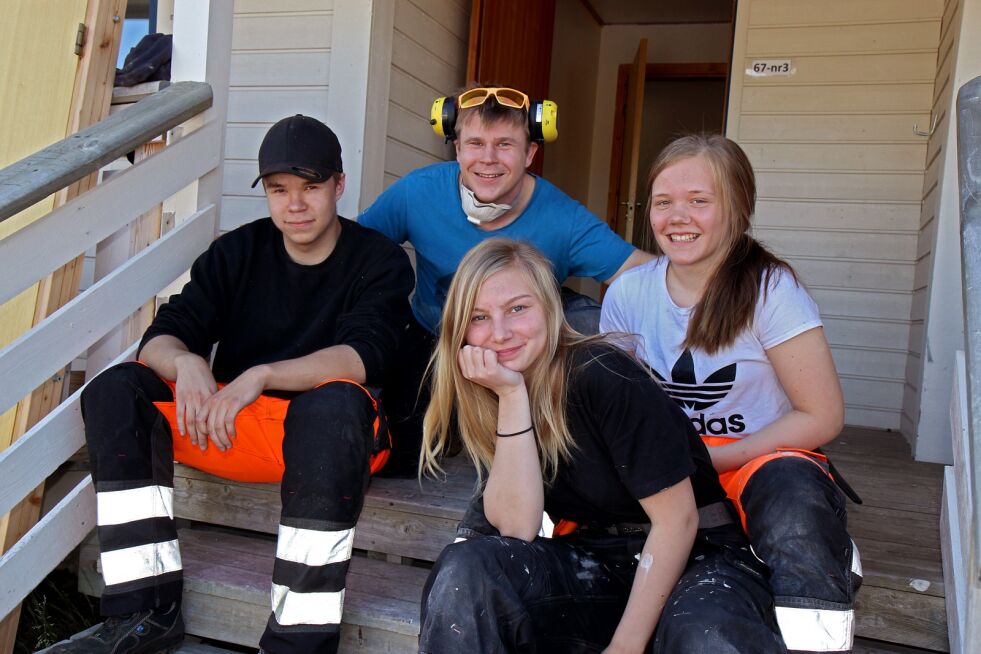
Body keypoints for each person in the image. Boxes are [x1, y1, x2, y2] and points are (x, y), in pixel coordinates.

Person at [55, 115, 414, 654]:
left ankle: (299, 641)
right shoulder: (237, 253)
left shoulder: (377, 259)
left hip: (334, 439)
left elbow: (363, 357)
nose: (295, 204)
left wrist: (261, 375)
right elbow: (161, 339)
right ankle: (141, 613)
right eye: (279, 190)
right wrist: (191, 365)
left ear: (339, 186)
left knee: (336, 402)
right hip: (231, 426)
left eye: (311, 187)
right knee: (116, 389)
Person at [416, 238, 786, 653]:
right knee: (466, 568)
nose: (500, 333)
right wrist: (513, 399)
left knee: (703, 639)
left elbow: (678, 522)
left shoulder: (603, 374)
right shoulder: (498, 392)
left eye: (518, 308)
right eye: (479, 317)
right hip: (602, 562)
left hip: (700, 558)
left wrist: (623, 647)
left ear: (550, 309)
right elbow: (516, 528)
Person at [600, 134, 862, 654]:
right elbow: (619, 409)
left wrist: (715, 459)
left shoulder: (771, 289)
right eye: (664, 202)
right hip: (669, 467)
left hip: (753, 462)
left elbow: (823, 414)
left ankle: (818, 572)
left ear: (738, 208)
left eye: (699, 201)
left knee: (791, 497)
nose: (679, 216)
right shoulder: (630, 292)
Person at [358, 84, 651, 475]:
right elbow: (354, 254)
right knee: (406, 453)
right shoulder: (416, 192)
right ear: (457, 148)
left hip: (520, 354)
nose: (489, 159)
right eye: (475, 143)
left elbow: (646, 275)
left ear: (530, 152)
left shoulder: (562, 217)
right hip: (438, 342)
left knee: (588, 325)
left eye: (505, 145)